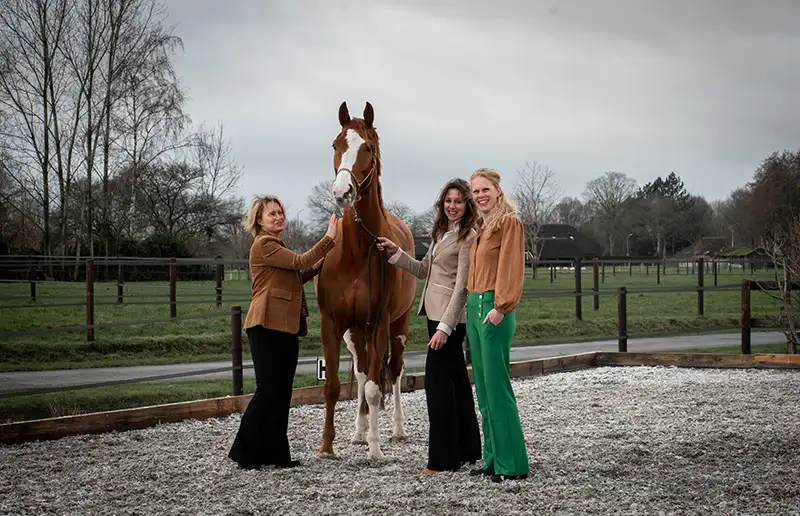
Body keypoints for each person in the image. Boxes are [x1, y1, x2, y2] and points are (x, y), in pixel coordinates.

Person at [376, 178, 482, 474]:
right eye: (448, 201)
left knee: (437, 390)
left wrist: (445, 329)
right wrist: (396, 253)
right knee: (457, 385)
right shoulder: (442, 234)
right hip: (435, 315)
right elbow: (424, 270)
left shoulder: (468, 236)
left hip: (449, 321)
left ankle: (442, 461)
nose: (452, 206)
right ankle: (468, 450)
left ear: (467, 205)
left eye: (458, 201)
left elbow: (462, 287)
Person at [228, 194, 338, 470]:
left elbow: (295, 275)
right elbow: (299, 261)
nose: (278, 217)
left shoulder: (276, 246)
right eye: (271, 214)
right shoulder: (264, 244)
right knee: (268, 391)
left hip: (286, 326)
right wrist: (329, 239)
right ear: (259, 220)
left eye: (280, 212)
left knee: (281, 392)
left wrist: (315, 270)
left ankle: (277, 454)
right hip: (266, 325)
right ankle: (245, 452)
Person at [466, 167, 529, 483]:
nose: (480, 195)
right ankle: (492, 458)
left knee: (498, 387)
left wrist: (501, 307)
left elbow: (511, 269)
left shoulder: (509, 224)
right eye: (475, 191)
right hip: (474, 307)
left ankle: (512, 463)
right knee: (484, 390)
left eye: (484, 189)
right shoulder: (482, 227)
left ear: (497, 190)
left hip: (494, 309)